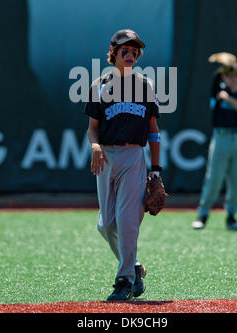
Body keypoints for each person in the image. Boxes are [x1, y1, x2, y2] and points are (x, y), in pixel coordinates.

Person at [85, 29, 162, 301]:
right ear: (114, 53)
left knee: (128, 220)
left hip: (133, 156)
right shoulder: (99, 86)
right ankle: (134, 267)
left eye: (134, 51)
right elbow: (92, 129)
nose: (130, 54)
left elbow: (153, 131)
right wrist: (94, 146)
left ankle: (124, 281)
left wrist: (156, 169)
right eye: (125, 50)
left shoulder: (145, 86)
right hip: (105, 156)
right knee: (106, 225)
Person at [192, 54, 237, 231]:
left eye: (236, 76)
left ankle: (232, 216)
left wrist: (228, 98)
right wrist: (223, 66)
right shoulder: (216, 92)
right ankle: (203, 214)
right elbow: (215, 82)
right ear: (224, 77)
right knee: (214, 179)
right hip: (221, 138)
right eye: (229, 75)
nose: (233, 79)